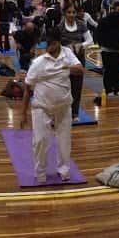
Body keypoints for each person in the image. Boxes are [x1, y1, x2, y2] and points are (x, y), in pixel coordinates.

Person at [19, 28, 83, 184]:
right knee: (40, 141)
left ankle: (64, 170)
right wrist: (23, 114)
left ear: (57, 43)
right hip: (41, 106)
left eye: (51, 44)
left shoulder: (67, 53)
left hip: (64, 105)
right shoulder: (38, 63)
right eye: (46, 44)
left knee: (64, 140)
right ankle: (40, 172)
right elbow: (27, 89)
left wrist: (66, 66)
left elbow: (80, 70)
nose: (48, 47)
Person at [59, 3, 93, 122]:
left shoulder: (81, 24)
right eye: (69, 12)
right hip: (64, 61)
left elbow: (90, 40)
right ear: (64, 13)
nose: (72, 14)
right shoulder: (60, 27)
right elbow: (55, 44)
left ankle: (75, 113)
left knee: (77, 87)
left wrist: (81, 44)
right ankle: (62, 112)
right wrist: (66, 47)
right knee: (63, 87)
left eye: (73, 12)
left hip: (79, 60)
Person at [96, 1, 119, 97]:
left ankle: (117, 88)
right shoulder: (104, 20)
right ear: (112, 10)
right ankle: (108, 89)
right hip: (107, 50)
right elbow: (98, 33)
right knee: (108, 70)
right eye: (118, 10)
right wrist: (101, 45)